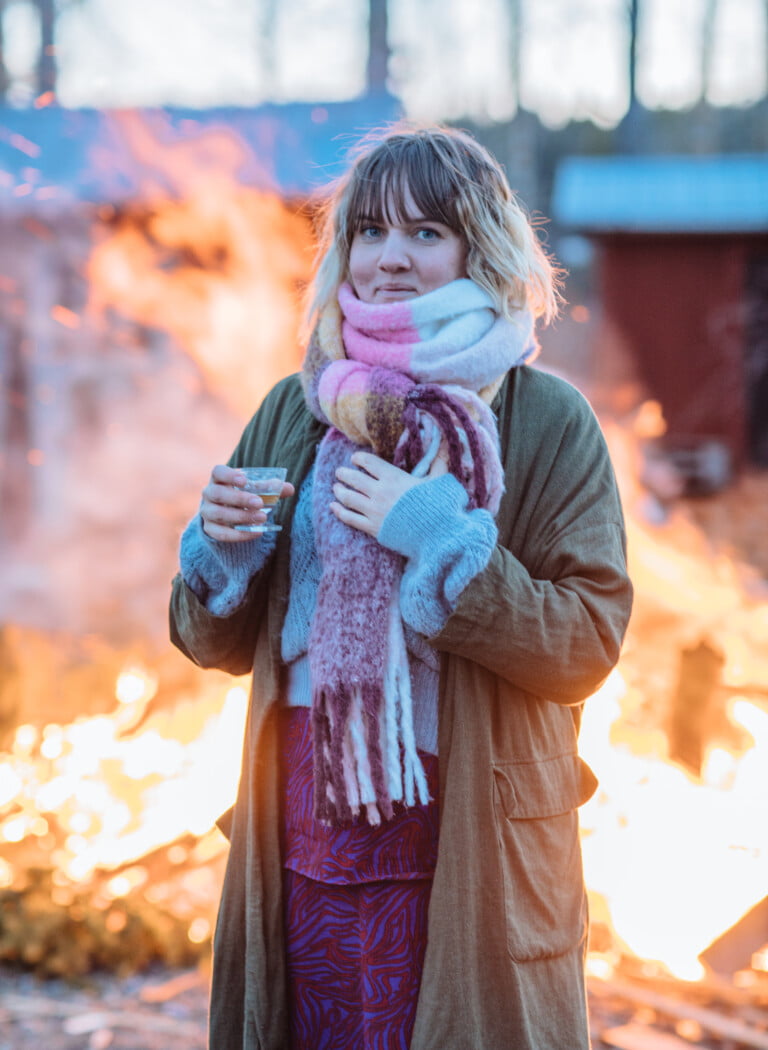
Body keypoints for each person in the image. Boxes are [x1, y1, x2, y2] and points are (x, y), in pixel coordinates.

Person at [169, 123, 633, 1050]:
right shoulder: (294, 408)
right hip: (308, 809)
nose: (390, 258)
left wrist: (440, 543)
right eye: (372, 230)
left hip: (467, 820)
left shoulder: (545, 419)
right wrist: (216, 558)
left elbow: (585, 644)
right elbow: (211, 640)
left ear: (479, 247)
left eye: (427, 233)